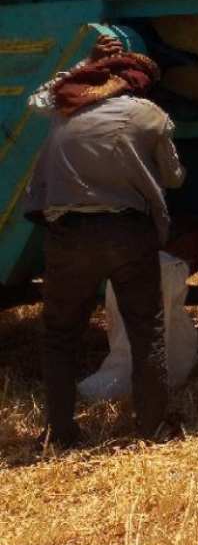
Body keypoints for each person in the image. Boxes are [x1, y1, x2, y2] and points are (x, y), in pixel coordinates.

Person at [24, 34, 185, 449]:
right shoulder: (149, 115)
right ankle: (151, 428)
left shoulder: (64, 107)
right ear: (138, 82)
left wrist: (85, 63)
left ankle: (60, 433)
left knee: (60, 335)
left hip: (68, 235)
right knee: (145, 331)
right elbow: (174, 178)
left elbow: (39, 97)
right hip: (127, 234)